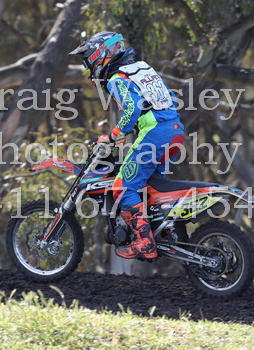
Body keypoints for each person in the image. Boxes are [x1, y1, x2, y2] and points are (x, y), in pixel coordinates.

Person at [68, 31, 184, 260]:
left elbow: (133, 109)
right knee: (151, 189)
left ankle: (144, 243)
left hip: (155, 133)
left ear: (100, 54)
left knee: (123, 187)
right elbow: (167, 98)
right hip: (175, 131)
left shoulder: (116, 78)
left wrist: (112, 136)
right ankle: (163, 232)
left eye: (88, 59)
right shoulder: (142, 69)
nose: (88, 66)